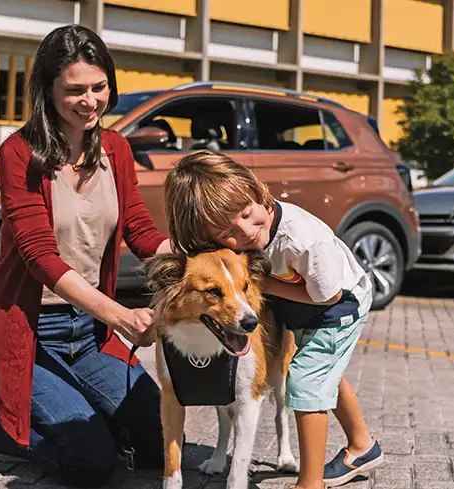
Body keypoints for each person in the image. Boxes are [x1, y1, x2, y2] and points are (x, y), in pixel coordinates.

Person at [0, 24, 171, 487]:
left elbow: (140, 231)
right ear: (48, 89)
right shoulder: (19, 153)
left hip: (89, 336)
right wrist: (121, 315)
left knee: (156, 442)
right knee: (91, 463)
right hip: (29, 332)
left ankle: (62, 409)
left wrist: (199, 260)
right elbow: (40, 257)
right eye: (75, 90)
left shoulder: (117, 150)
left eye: (99, 87)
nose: (90, 101)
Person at [163, 150, 384, 489]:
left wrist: (264, 284)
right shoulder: (236, 239)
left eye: (247, 214)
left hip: (339, 306)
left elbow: (329, 296)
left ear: (257, 191)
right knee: (328, 376)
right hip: (304, 306)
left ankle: (310, 482)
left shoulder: (303, 239)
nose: (246, 232)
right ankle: (363, 445)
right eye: (226, 230)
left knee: (306, 382)